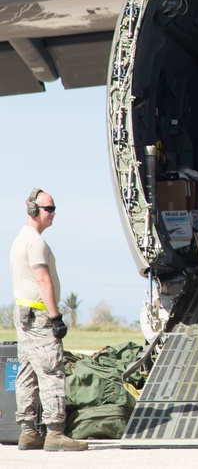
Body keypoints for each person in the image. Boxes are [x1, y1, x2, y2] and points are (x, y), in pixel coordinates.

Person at [9, 189, 88, 451]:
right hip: (40, 315)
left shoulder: (21, 238)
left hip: (23, 313)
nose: (53, 214)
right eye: (48, 209)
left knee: (27, 373)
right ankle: (55, 432)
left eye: (54, 209)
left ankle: (28, 431)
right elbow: (42, 280)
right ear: (34, 211)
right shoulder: (36, 242)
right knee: (52, 371)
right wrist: (56, 317)